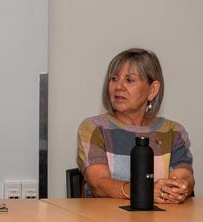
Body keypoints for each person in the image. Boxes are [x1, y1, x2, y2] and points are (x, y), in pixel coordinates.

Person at [77, 48, 194, 203]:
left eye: (129, 80)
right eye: (113, 79)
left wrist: (181, 188)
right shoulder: (94, 127)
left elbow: (184, 177)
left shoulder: (173, 131)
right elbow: (99, 184)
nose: (118, 87)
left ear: (152, 90)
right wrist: (144, 191)